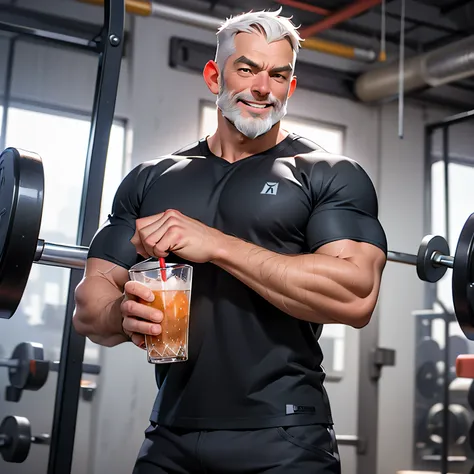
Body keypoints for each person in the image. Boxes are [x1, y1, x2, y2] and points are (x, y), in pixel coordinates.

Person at [73, 8, 387, 474]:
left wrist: (216, 244)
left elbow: (356, 293)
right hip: (171, 433)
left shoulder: (326, 173)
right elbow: (88, 307)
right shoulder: (152, 179)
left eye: (278, 75)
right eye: (247, 69)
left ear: (290, 88)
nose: (263, 87)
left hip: (285, 436)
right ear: (214, 76)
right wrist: (122, 314)